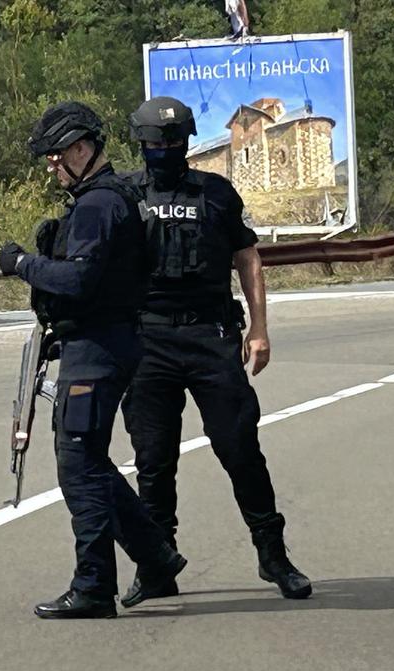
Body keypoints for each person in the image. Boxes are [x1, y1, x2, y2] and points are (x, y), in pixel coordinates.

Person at [118, 96, 311, 607]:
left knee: (240, 449)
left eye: (172, 141)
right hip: (147, 340)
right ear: (141, 143)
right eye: (155, 142)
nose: (163, 149)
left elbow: (248, 258)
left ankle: (274, 557)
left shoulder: (216, 193)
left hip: (210, 336)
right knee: (153, 461)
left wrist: (261, 328)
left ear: (185, 140)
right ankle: (159, 566)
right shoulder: (123, 195)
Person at [0, 101, 186, 619]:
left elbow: (79, 280)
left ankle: (94, 587)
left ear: (84, 150)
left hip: (100, 353)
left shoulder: (99, 205)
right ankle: (156, 556)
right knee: (93, 464)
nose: (52, 168)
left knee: (79, 468)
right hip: (99, 344)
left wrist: (22, 264)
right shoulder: (104, 199)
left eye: (58, 157)